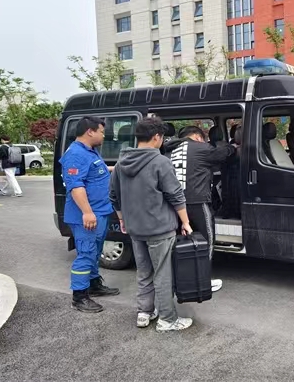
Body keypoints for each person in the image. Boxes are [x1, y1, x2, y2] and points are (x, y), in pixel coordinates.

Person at [110, 117, 194, 332]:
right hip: (159, 229)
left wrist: (122, 220)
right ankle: (168, 319)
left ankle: (144, 312)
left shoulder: (121, 163)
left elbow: (114, 196)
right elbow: (175, 195)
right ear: (157, 137)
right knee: (163, 274)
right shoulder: (160, 162)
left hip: (135, 228)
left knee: (144, 272)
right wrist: (185, 222)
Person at [165, 125, 237, 292]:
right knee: (207, 240)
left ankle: (179, 279)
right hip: (197, 202)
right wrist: (230, 145)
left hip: (174, 204)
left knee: (178, 242)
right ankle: (203, 280)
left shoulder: (170, 151)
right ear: (197, 137)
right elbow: (223, 153)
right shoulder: (200, 148)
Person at [60, 116, 119, 313]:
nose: (104, 135)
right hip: (86, 216)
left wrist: (116, 168)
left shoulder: (89, 151)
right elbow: (76, 186)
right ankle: (79, 297)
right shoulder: (75, 154)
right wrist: (87, 212)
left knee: (94, 251)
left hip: (100, 212)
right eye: (101, 131)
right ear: (90, 132)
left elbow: (96, 172)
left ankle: (93, 285)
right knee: (85, 254)